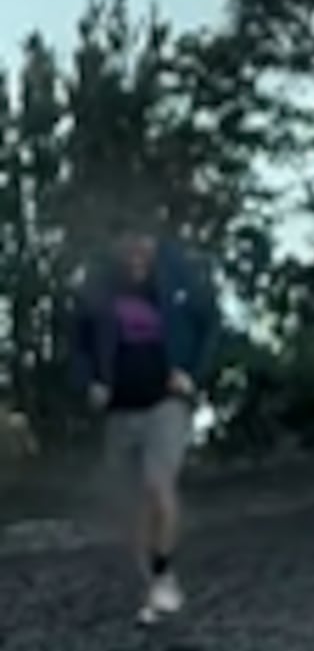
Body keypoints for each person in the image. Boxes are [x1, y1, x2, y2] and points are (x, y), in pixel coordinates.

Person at [70, 227, 220, 627]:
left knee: (159, 485)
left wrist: (192, 372)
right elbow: (80, 343)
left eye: (144, 244)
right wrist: (91, 382)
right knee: (132, 504)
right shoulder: (100, 290)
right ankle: (151, 581)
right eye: (128, 244)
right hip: (120, 408)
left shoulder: (177, 284)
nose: (136, 252)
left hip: (165, 403)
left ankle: (164, 574)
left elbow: (210, 325)